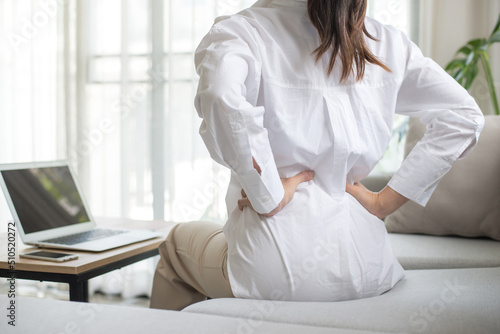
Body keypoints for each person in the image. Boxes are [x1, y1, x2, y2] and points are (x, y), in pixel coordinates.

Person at [150, 0, 484, 310]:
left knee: (174, 247)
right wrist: (385, 203)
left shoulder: (241, 33)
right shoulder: (384, 42)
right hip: (370, 269)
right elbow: (464, 115)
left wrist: (269, 195)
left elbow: (223, 99)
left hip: (275, 269)